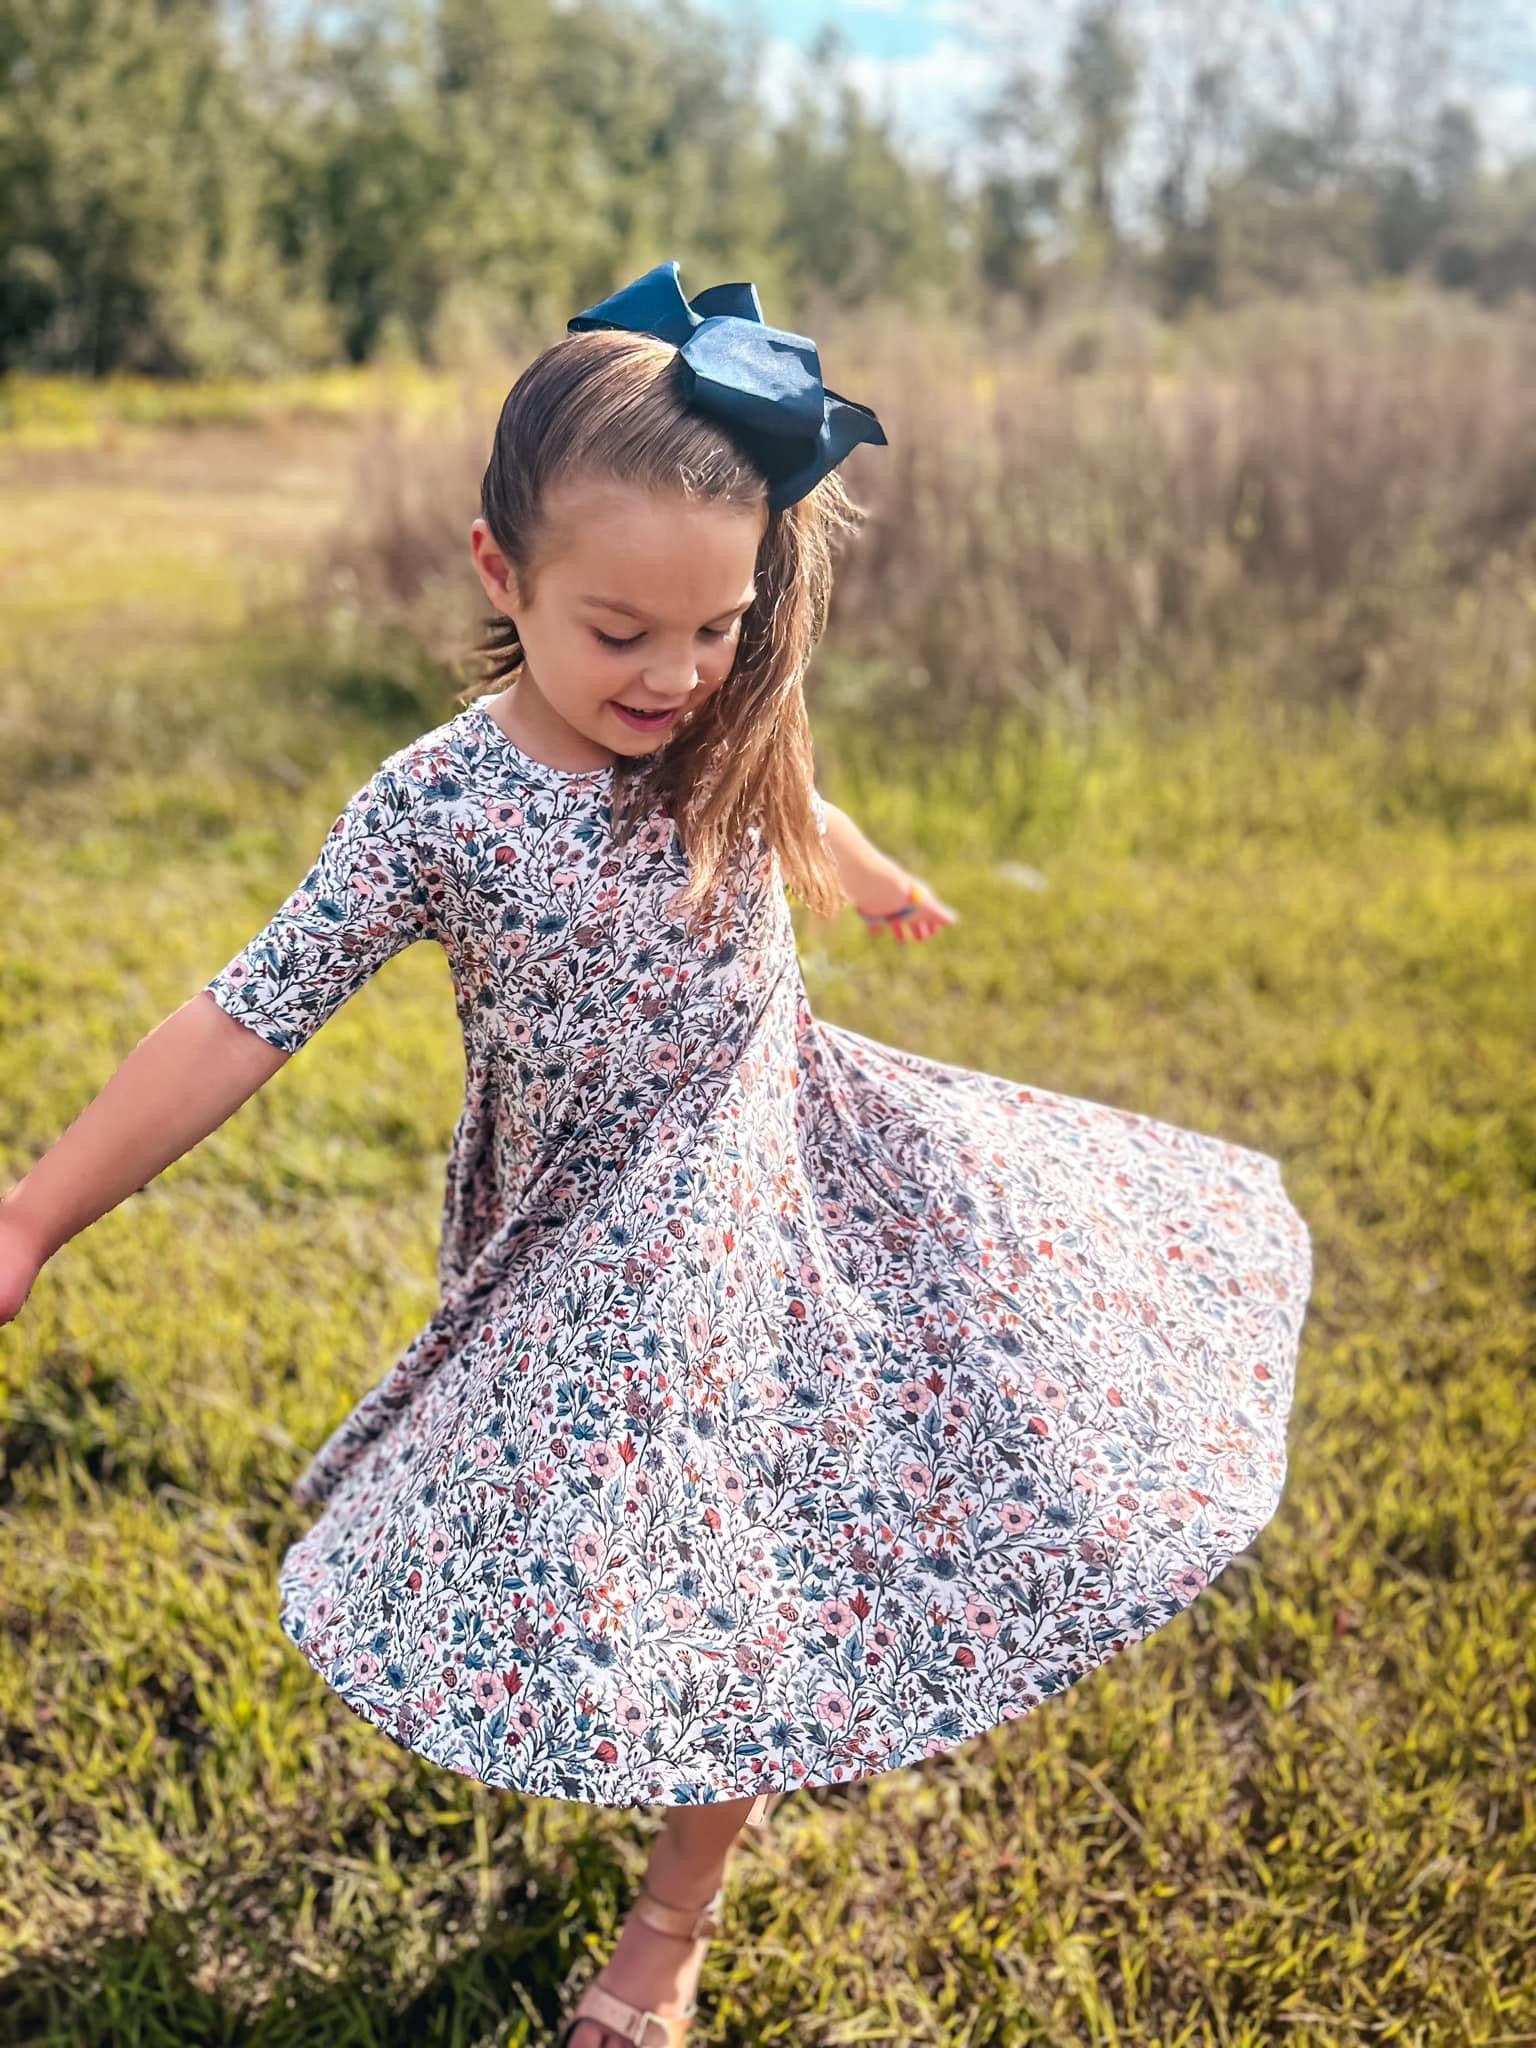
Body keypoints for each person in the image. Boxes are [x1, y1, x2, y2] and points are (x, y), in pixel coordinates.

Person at [0, 262, 1314, 2048]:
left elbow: (794, 793)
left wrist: (870, 876)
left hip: (759, 1205)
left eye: (716, 631)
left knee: (754, 1537)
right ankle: (597, 1706)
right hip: (564, 1224)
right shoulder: (439, 808)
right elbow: (247, 1013)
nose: (678, 677)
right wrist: (37, 1208)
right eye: (622, 632)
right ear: (500, 575)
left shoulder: (721, 716)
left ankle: (668, 1928)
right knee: (607, 1533)